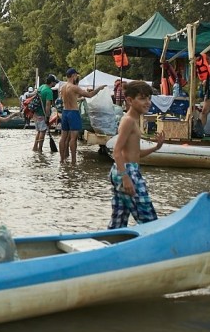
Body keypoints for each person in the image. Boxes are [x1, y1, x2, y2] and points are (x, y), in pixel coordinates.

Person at [108, 80, 166, 229]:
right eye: (142, 98)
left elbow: (135, 153)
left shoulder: (134, 120)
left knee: (119, 220)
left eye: (149, 98)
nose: (147, 102)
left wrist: (155, 148)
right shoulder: (128, 120)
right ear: (130, 100)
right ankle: (156, 244)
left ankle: (111, 243)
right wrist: (125, 177)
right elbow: (117, 151)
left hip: (124, 168)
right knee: (149, 219)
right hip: (127, 171)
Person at [58, 68, 106, 164]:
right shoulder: (74, 87)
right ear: (73, 76)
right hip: (73, 113)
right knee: (73, 138)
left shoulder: (62, 87)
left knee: (63, 137)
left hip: (65, 112)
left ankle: (62, 160)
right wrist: (99, 89)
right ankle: (73, 161)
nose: (76, 77)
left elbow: (72, 97)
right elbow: (90, 95)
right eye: (76, 75)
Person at [32, 74, 56, 152]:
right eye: (54, 82)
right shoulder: (49, 91)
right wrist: (47, 116)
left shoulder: (42, 87)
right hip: (42, 114)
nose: (55, 84)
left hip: (36, 113)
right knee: (42, 131)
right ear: (51, 82)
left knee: (39, 131)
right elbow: (48, 105)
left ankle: (35, 147)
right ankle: (40, 149)